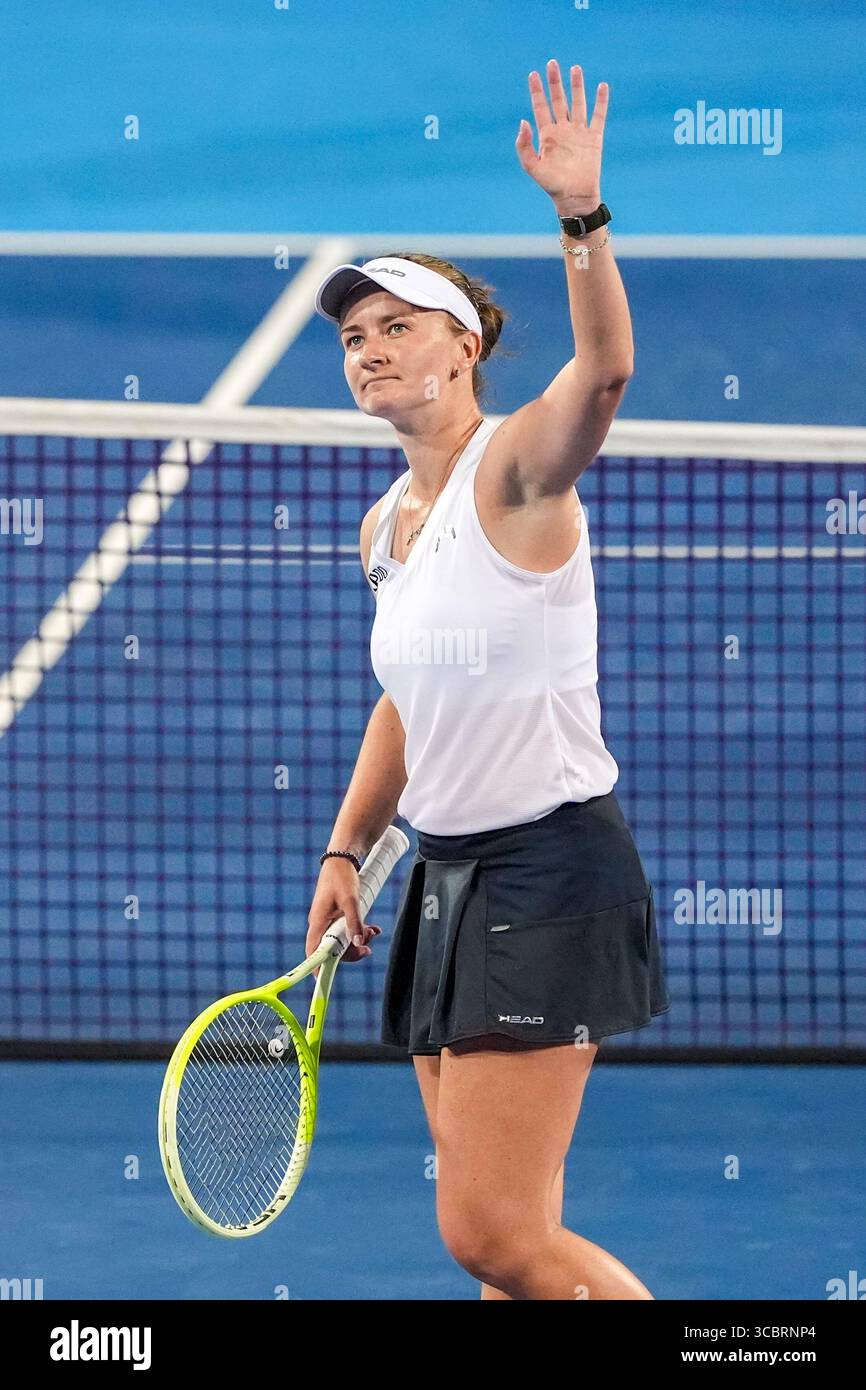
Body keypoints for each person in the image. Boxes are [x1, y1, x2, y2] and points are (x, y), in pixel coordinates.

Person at [307, 59, 670, 1301]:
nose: (368, 351)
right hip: (442, 885)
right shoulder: (383, 527)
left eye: (394, 327)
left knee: (492, 1234)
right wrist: (349, 847)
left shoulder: (513, 471)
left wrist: (580, 216)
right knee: (506, 1243)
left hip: (548, 874)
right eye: (354, 337)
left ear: (461, 349)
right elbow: (411, 695)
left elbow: (605, 372)